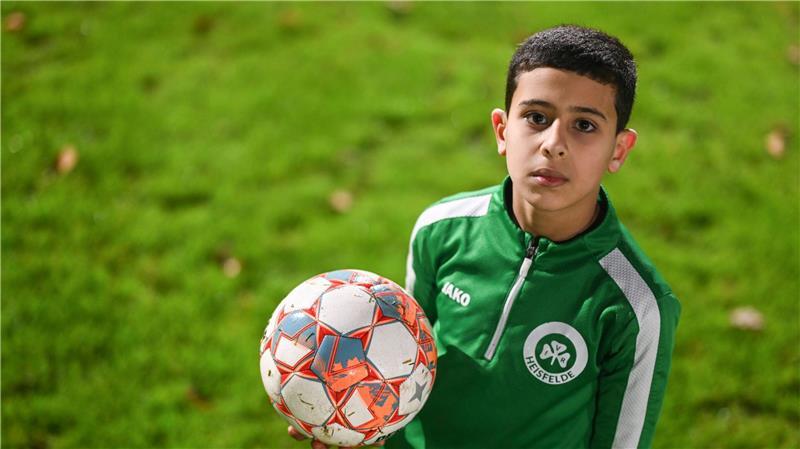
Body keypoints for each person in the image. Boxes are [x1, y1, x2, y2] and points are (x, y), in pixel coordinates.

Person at [291, 24, 680, 449]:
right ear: (501, 130)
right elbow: (399, 358)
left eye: (584, 125)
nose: (553, 144)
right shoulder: (441, 230)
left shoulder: (637, 306)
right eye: (536, 117)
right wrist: (356, 428)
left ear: (619, 150)